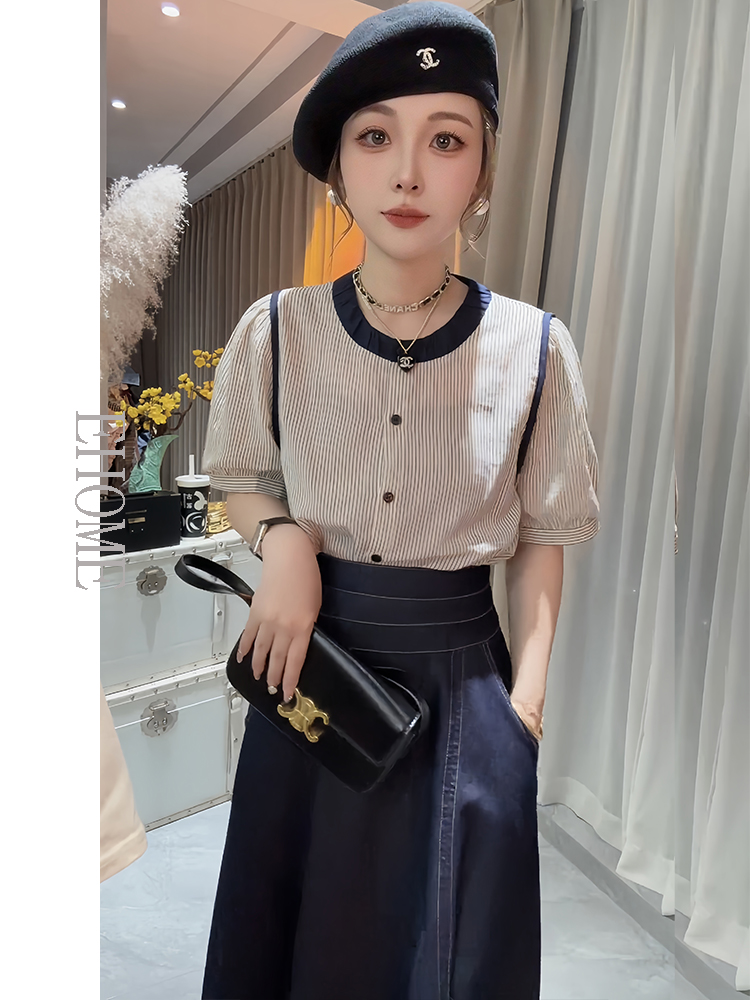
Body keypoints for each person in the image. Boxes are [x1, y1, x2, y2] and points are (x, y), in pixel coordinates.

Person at [200, 4, 600, 998]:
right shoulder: (276, 331)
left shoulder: (536, 348)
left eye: (447, 140)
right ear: (339, 168)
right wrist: (284, 541)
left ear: (483, 169)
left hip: (466, 689)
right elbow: (242, 474)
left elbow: (544, 535)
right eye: (376, 137)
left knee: (450, 956)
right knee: (294, 940)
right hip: (311, 673)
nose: (409, 173)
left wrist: (527, 709)